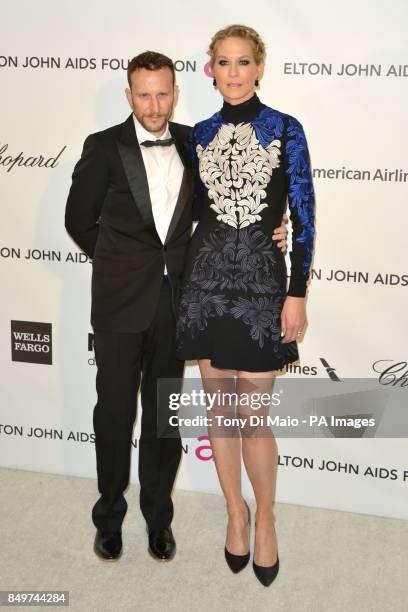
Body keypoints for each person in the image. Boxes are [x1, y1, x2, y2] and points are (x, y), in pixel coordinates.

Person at [65, 50, 288, 563]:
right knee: (114, 414)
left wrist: (273, 229)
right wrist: (122, 261)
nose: (154, 104)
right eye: (144, 94)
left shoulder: (195, 142)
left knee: (163, 418)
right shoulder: (102, 147)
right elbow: (79, 219)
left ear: (176, 92)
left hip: (179, 301)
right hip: (120, 304)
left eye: (163, 92)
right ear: (129, 96)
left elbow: (232, 204)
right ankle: (109, 515)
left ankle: (158, 519)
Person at [176, 25, 315, 586]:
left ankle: (266, 522)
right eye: (223, 63)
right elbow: (179, 208)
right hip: (205, 282)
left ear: (259, 67)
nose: (233, 73)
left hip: (262, 284)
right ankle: (235, 512)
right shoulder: (197, 135)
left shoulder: (286, 128)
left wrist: (297, 289)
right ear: (211, 69)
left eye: (243, 63)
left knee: (252, 414)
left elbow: (304, 214)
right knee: (218, 409)